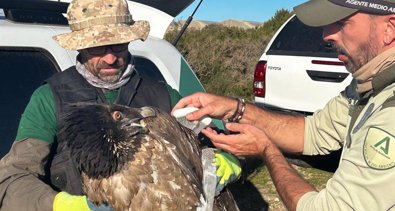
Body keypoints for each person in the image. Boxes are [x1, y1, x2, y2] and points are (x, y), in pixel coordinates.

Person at [0, 0, 240, 210]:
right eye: (97, 47)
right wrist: (65, 206)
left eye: (118, 45)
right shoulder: (49, 99)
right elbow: (14, 178)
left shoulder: (164, 96)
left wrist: (228, 158)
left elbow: (222, 143)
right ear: (79, 45)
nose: (111, 58)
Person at [172, 0, 395, 210]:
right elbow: (312, 132)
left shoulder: (390, 113)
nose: (327, 35)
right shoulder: (367, 85)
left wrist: (267, 150)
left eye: (341, 22)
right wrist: (236, 109)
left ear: (389, 29)